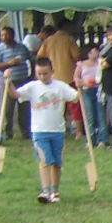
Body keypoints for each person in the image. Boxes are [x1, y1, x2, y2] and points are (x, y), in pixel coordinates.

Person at [8, 56, 79, 204]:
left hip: (58, 131)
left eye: (45, 73)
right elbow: (15, 94)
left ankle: (55, 191)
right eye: (39, 74)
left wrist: (81, 86)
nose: (42, 77)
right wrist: (8, 82)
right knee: (44, 160)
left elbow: (76, 97)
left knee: (57, 163)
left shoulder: (60, 86)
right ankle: (45, 191)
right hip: (39, 131)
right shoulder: (32, 87)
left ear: (52, 71)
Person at [0, 26, 34, 141]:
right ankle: (7, 133)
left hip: (23, 81)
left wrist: (32, 74)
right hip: (7, 82)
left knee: (24, 108)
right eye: (2, 35)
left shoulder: (22, 47)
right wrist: (9, 63)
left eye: (6, 35)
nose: (4, 37)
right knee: (7, 108)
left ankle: (26, 132)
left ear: (12, 35)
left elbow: (32, 59)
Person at [74, 43, 106, 145]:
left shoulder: (101, 63)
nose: (97, 52)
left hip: (99, 90)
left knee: (101, 115)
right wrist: (85, 83)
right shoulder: (81, 64)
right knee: (89, 116)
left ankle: (103, 139)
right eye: (94, 51)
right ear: (88, 53)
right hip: (86, 91)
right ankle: (90, 140)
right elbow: (76, 78)